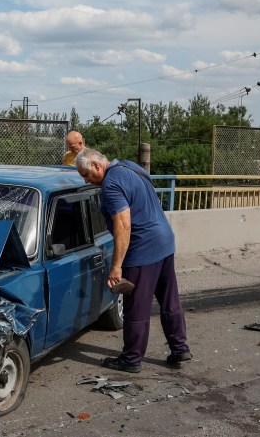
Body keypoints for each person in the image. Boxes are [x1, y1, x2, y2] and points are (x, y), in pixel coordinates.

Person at [75, 148, 191, 373]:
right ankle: (180, 348)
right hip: (164, 240)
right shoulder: (130, 166)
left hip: (142, 249)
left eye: (86, 175)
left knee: (136, 307)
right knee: (169, 299)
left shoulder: (110, 186)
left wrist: (116, 266)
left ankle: (131, 359)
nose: (86, 180)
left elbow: (123, 225)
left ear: (97, 166)